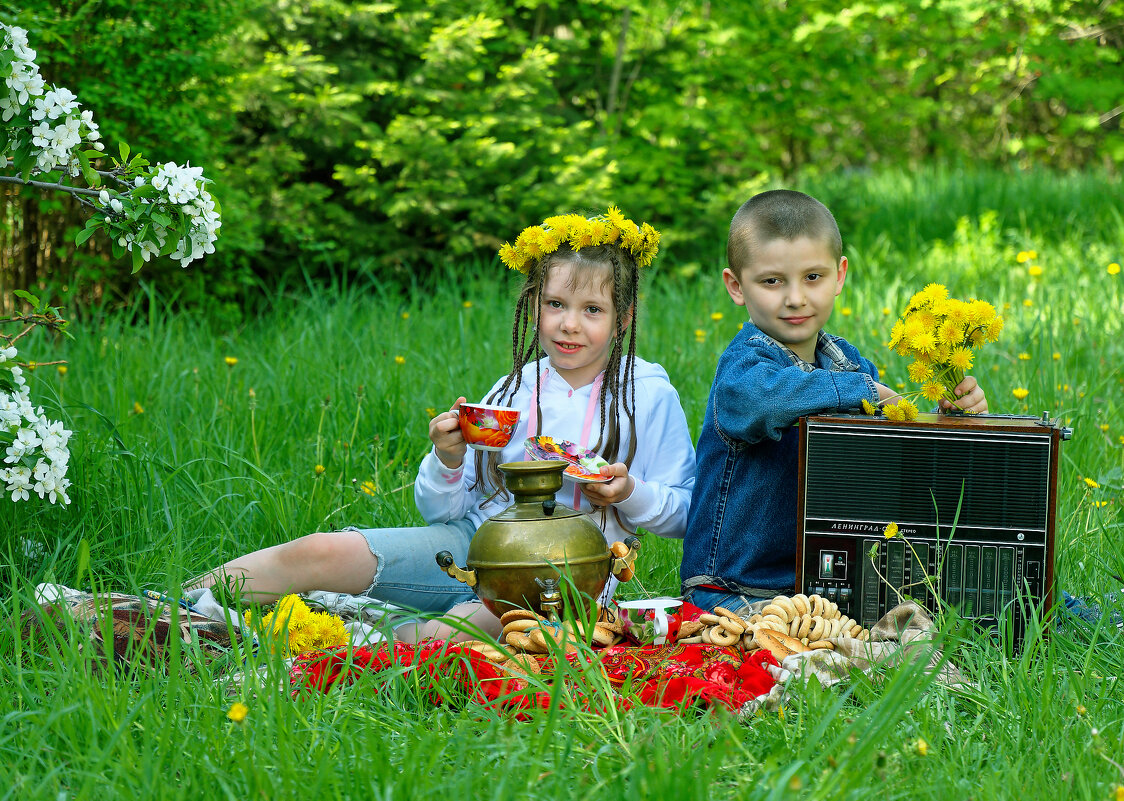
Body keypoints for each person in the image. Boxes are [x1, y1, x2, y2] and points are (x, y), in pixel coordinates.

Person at [189, 207, 696, 641]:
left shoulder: (645, 393)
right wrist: (448, 459)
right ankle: (176, 602)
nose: (569, 324)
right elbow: (442, 513)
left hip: (559, 576)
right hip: (474, 544)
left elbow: (683, 513)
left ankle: (335, 623)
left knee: (449, 634)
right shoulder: (512, 390)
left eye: (592, 310)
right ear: (534, 304)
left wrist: (628, 492)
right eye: (555, 304)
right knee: (320, 549)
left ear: (623, 318)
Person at [679, 189, 987, 614]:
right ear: (736, 286)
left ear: (839, 276)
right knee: (814, 653)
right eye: (772, 281)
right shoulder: (744, 369)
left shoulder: (847, 361)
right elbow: (767, 402)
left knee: (946, 610)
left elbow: (886, 454)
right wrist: (864, 391)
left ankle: (1074, 614)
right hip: (733, 589)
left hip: (821, 584)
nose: (795, 298)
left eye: (813, 277)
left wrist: (944, 420)